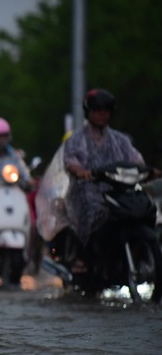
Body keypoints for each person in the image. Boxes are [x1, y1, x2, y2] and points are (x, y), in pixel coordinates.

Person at [63, 88, 159, 255]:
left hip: (119, 190)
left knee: (145, 207)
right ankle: (83, 258)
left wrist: (148, 171)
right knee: (92, 211)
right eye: (98, 111)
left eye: (106, 111)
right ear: (89, 112)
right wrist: (80, 171)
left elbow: (135, 159)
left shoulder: (120, 139)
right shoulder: (77, 139)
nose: (102, 115)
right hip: (88, 190)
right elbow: (71, 161)